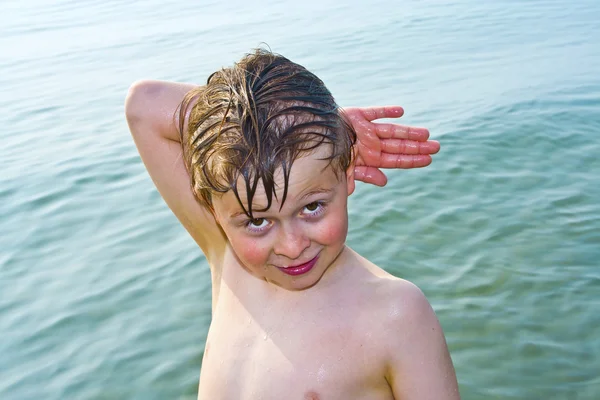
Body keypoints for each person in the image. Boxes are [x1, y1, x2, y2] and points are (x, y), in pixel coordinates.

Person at [125, 49, 459, 400]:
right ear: (214, 208)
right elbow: (144, 105)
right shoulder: (229, 261)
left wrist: (317, 132)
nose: (291, 245)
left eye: (312, 207)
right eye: (257, 221)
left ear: (345, 174)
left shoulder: (394, 314)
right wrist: (290, 125)